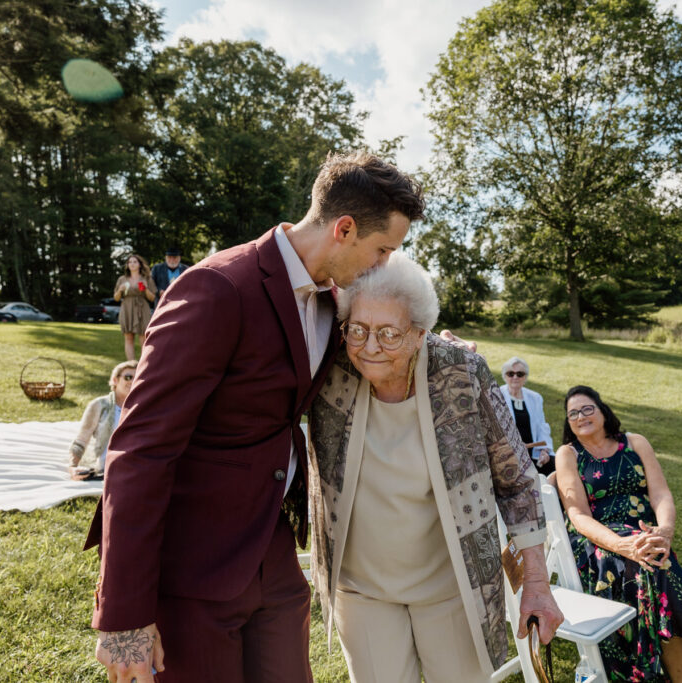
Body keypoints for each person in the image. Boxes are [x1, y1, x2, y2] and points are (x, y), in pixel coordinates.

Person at [84, 151, 426, 683]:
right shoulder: (217, 288)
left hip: (272, 548)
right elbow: (141, 446)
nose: (383, 266)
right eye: (383, 250)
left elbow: (370, 352)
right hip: (193, 561)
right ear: (345, 228)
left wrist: (438, 351)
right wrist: (123, 614)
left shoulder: (335, 300)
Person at [308, 254, 563, 682]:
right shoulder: (329, 367)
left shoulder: (461, 370)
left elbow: (517, 479)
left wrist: (536, 581)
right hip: (361, 588)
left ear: (420, 333)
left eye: (389, 333)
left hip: (453, 585)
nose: (370, 346)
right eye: (358, 329)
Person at [554, 385, 682, 683]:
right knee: (655, 564)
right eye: (573, 413)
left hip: (644, 534)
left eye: (587, 408)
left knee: (654, 560)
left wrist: (665, 531)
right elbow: (578, 516)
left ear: (603, 411)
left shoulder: (635, 443)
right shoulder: (568, 454)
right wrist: (622, 545)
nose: (581, 416)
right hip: (599, 541)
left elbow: (661, 495)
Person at [68, 361, 137, 480]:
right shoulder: (99, 405)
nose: (132, 381)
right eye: (128, 377)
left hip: (133, 467)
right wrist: (73, 467)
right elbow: (80, 441)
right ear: (115, 380)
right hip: (103, 468)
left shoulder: (142, 408)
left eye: (137, 378)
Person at [499, 356, 555, 476]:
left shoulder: (535, 397)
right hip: (509, 452)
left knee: (553, 469)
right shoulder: (497, 396)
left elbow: (542, 426)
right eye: (510, 374)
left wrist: (544, 450)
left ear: (525, 377)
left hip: (532, 450)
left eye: (520, 374)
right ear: (505, 376)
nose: (515, 377)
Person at [113, 253, 157, 360]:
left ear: (140, 265)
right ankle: (131, 364)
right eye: (130, 262)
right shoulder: (122, 279)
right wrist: (120, 290)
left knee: (143, 337)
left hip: (142, 307)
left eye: (135, 262)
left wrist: (145, 289)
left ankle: (144, 365)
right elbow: (116, 298)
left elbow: (152, 298)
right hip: (127, 308)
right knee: (128, 337)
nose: (132, 264)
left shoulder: (146, 278)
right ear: (127, 265)